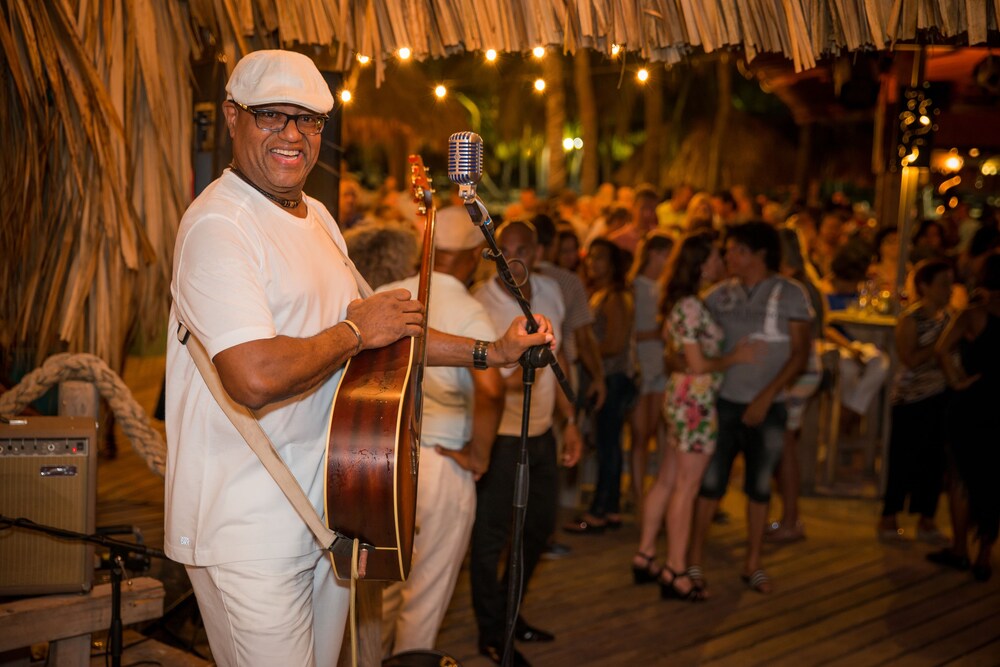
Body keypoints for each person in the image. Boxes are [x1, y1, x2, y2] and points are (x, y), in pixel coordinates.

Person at [164, 50, 556, 667]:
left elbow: (388, 330)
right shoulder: (220, 226)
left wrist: (492, 352)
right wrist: (351, 331)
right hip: (245, 527)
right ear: (234, 118)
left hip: (327, 509)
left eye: (311, 120)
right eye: (273, 116)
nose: (294, 134)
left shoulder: (316, 216)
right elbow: (253, 375)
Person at [379, 207, 506, 655]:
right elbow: (490, 386)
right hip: (443, 461)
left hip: (381, 462)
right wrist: (480, 456)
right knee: (425, 596)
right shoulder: (471, 311)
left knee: (377, 594)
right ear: (474, 256)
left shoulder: (386, 295)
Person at [471, 220, 582, 667]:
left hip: (542, 433)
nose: (510, 259)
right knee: (491, 540)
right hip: (501, 437)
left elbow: (562, 357)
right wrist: (521, 362)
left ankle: (509, 618)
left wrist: (571, 420)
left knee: (538, 529)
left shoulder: (551, 290)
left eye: (520, 248)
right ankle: (492, 632)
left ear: (535, 252)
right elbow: (487, 381)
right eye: (504, 249)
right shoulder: (482, 303)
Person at [687, 221, 813, 595]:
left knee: (759, 487)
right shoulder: (717, 296)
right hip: (723, 403)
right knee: (710, 485)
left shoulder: (791, 293)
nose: (728, 256)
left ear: (758, 253)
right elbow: (695, 341)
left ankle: (753, 562)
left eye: (736, 250)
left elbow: (800, 353)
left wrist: (766, 395)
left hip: (769, 406)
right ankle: (693, 560)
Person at [632, 232, 760, 601]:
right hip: (696, 401)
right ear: (702, 264)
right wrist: (735, 357)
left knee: (669, 479)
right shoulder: (690, 306)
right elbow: (699, 363)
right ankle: (675, 569)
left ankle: (645, 555)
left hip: (682, 396)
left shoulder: (681, 302)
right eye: (717, 258)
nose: (722, 263)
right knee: (686, 488)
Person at [933, 251, 1000, 582]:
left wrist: (957, 380)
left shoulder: (974, 314)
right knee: (994, 477)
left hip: (972, 402)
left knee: (960, 477)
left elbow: (941, 348)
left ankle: (960, 548)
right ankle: (985, 554)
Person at [877, 259, 954, 544]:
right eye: (943, 284)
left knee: (934, 461)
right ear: (925, 286)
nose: (949, 290)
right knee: (903, 458)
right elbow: (908, 358)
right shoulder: (911, 318)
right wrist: (941, 346)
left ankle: (926, 518)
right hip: (911, 397)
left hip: (941, 395)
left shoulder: (950, 317)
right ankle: (889, 515)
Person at [564, 238, 635, 533]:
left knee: (608, 446)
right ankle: (609, 508)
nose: (594, 263)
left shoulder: (616, 297)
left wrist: (583, 352)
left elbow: (615, 343)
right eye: (591, 257)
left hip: (612, 379)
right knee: (607, 444)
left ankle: (602, 510)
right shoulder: (599, 293)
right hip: (604, 378)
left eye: (601, 258)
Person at [627, 231, 675, 514]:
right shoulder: (636, 286)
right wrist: (658, 332)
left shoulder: (665, 288)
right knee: (640, 433)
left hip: (661, 366)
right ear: (656, 254)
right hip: (641, 365)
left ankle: (658, 489)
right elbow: (631, 332)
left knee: (660, 431)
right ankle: (636, 491)